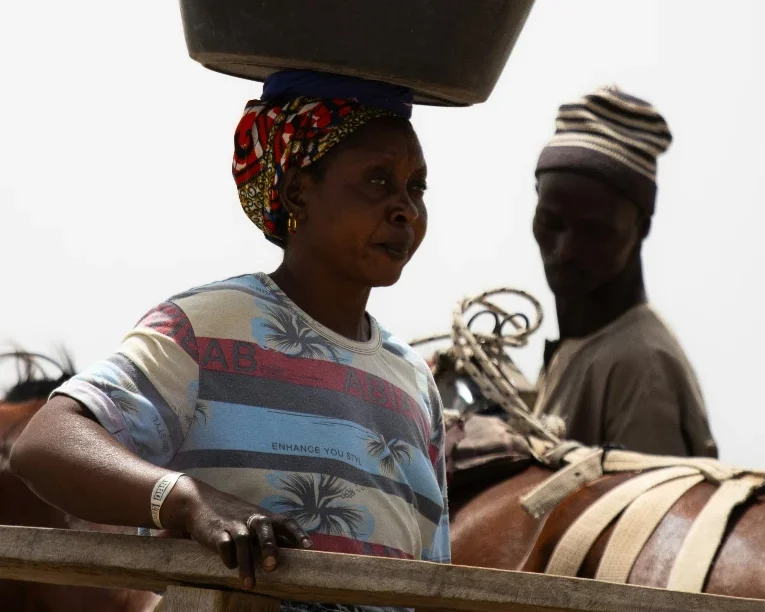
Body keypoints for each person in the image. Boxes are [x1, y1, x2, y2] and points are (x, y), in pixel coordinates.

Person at [11, 70, 449, 612]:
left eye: (416, 187)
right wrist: (189, 502)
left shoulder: (414, 381)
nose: (406, 208)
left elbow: (433, 581)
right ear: (297, 192)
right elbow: (44, 444)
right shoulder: (205, 328)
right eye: (378, 181)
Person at [530, 85, 718, 458]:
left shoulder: (641, 368)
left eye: (594, 231)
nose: (565, 250)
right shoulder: (583, 346)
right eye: (551, 222)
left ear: (641, 228)